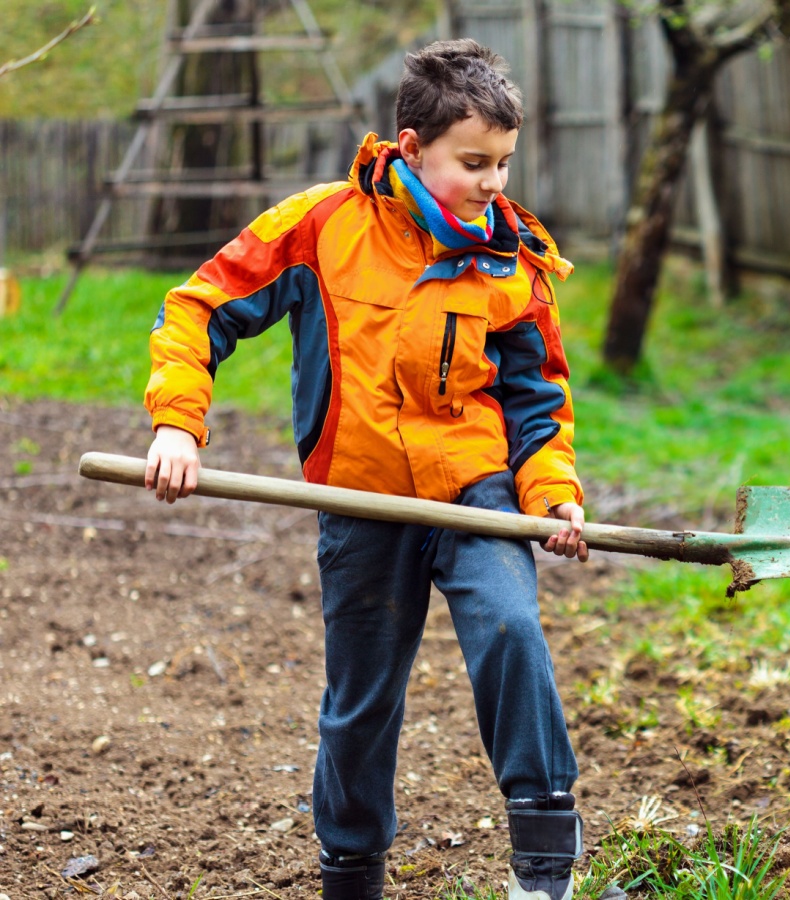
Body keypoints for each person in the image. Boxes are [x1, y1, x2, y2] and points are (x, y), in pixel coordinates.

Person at [142, 39, 588, 900]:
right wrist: (178, 429)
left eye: (503, 163)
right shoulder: (322, 226)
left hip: (476, 493)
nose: (494, 183)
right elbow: (198, 307)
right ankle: (350, 875)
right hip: (359, 498)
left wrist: (554, 493)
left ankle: (543, 860)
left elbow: (540, 401)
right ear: (413, 149)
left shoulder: (511, 261)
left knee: (511, 632)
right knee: (361, 700)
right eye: (474, 163)